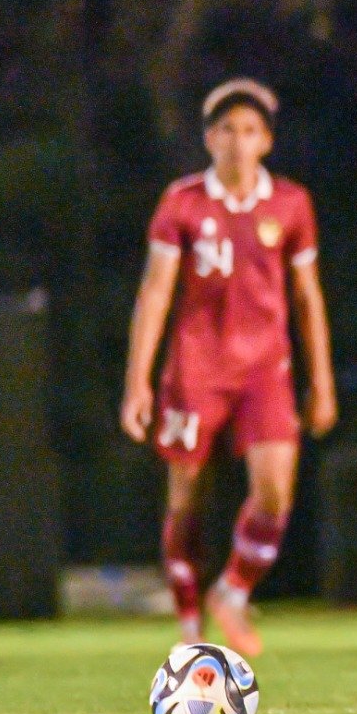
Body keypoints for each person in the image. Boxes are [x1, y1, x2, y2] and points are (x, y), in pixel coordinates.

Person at [121, 78, 338, 657]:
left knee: (274, 494)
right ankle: (190, 626)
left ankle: (234, 592)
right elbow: (155, 293)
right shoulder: (183, 201)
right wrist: (138, 382)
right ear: (208, 138)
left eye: (248, 131)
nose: (237, 142)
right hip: (195, 370)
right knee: (185, 498)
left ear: (265, 140)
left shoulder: (291, 203)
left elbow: (307, 297)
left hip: (265, 370)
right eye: (225, 130)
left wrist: (323, 381)